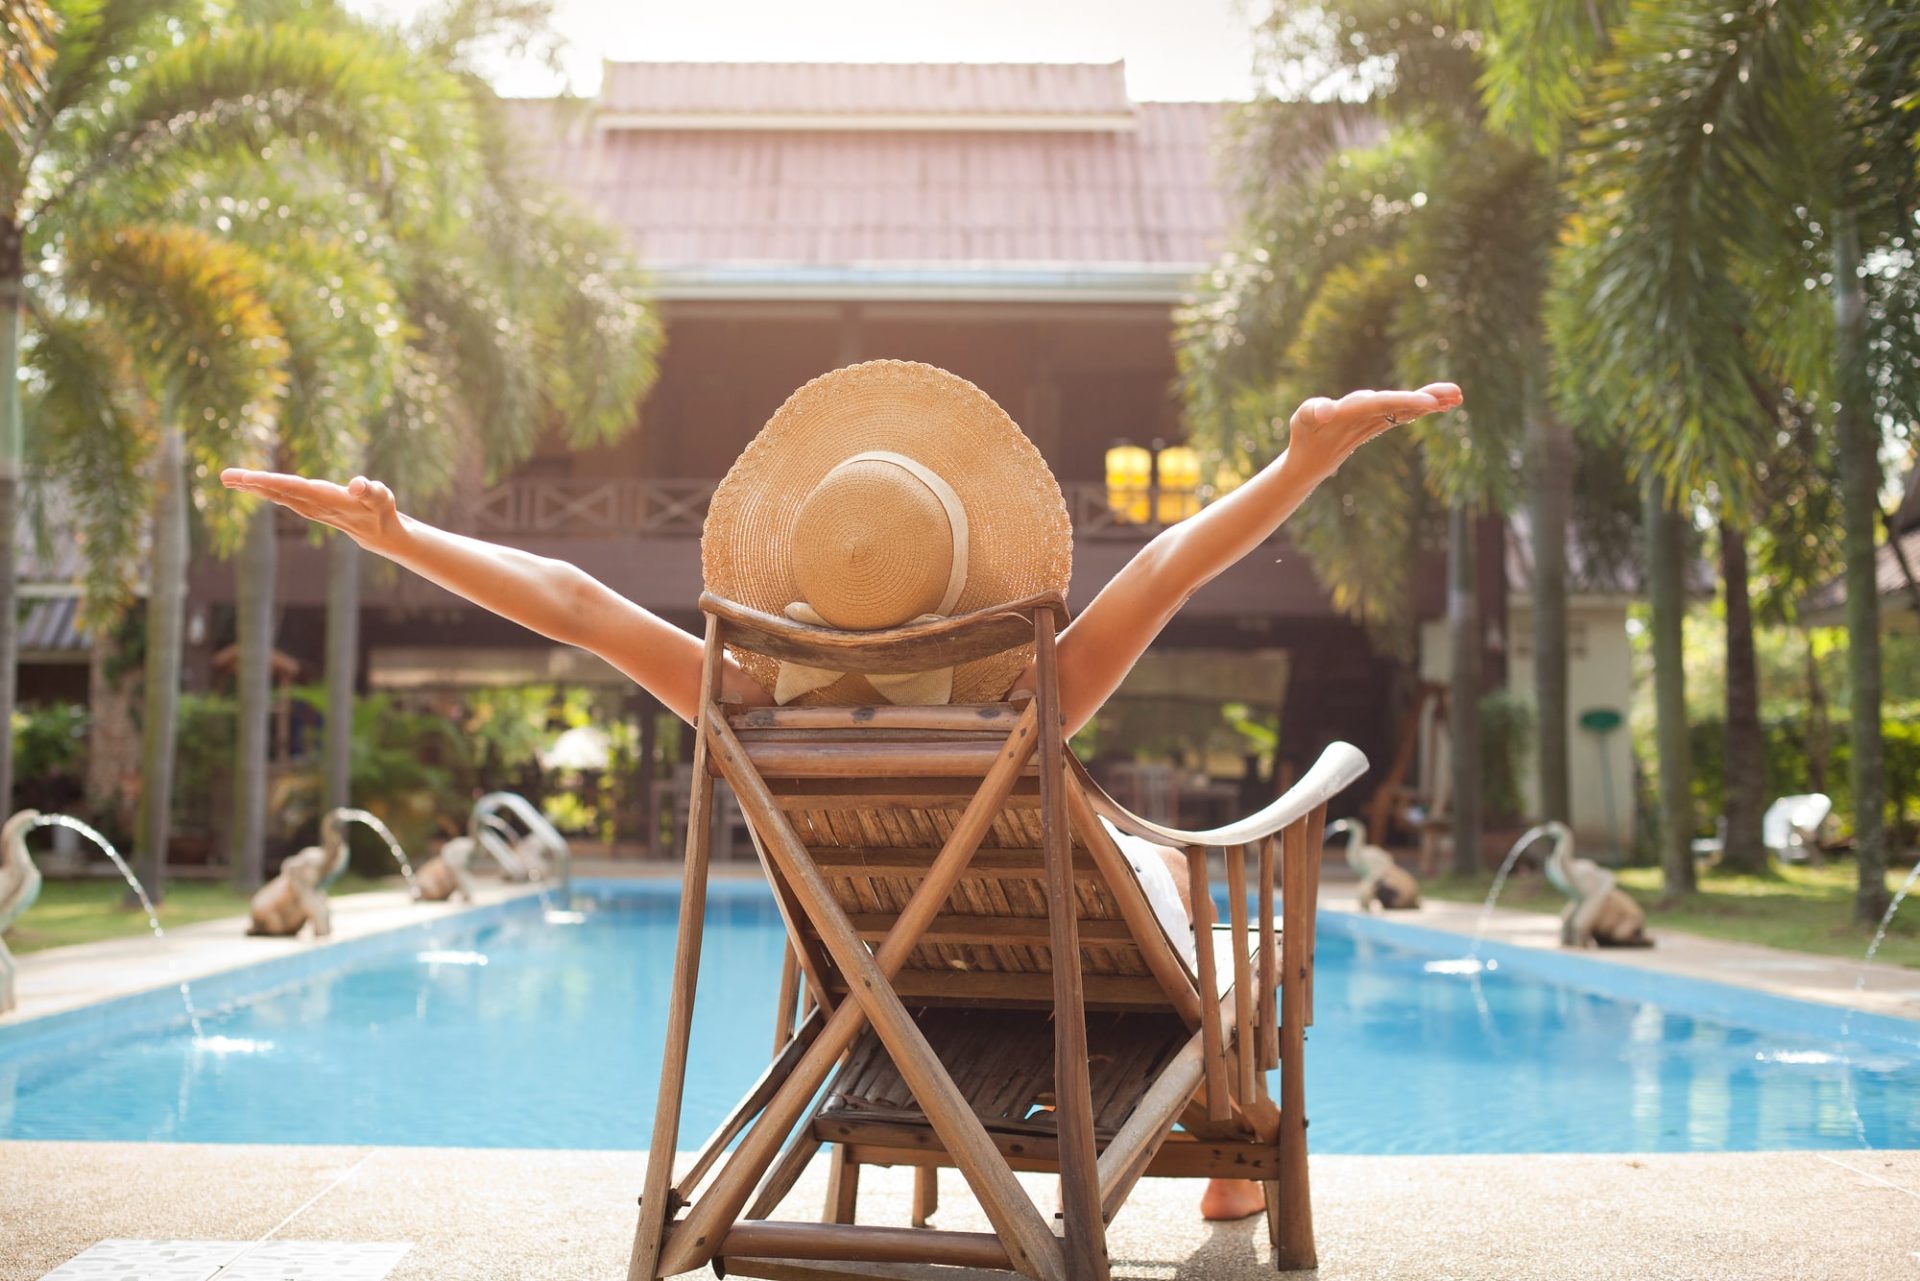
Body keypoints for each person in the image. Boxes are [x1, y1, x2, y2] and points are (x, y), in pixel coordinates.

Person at [224, 359, 1461, 1223]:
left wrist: (400, 538)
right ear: (962, 577)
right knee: (1215, 902)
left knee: (1168, 894)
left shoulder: (747, 705)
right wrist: (1302, 462)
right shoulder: (1027, 696)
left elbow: (577, 605)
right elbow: (1170, 564)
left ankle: (1214, 1151)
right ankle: (1238, 1165)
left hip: (888, 985)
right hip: (1076, 966)